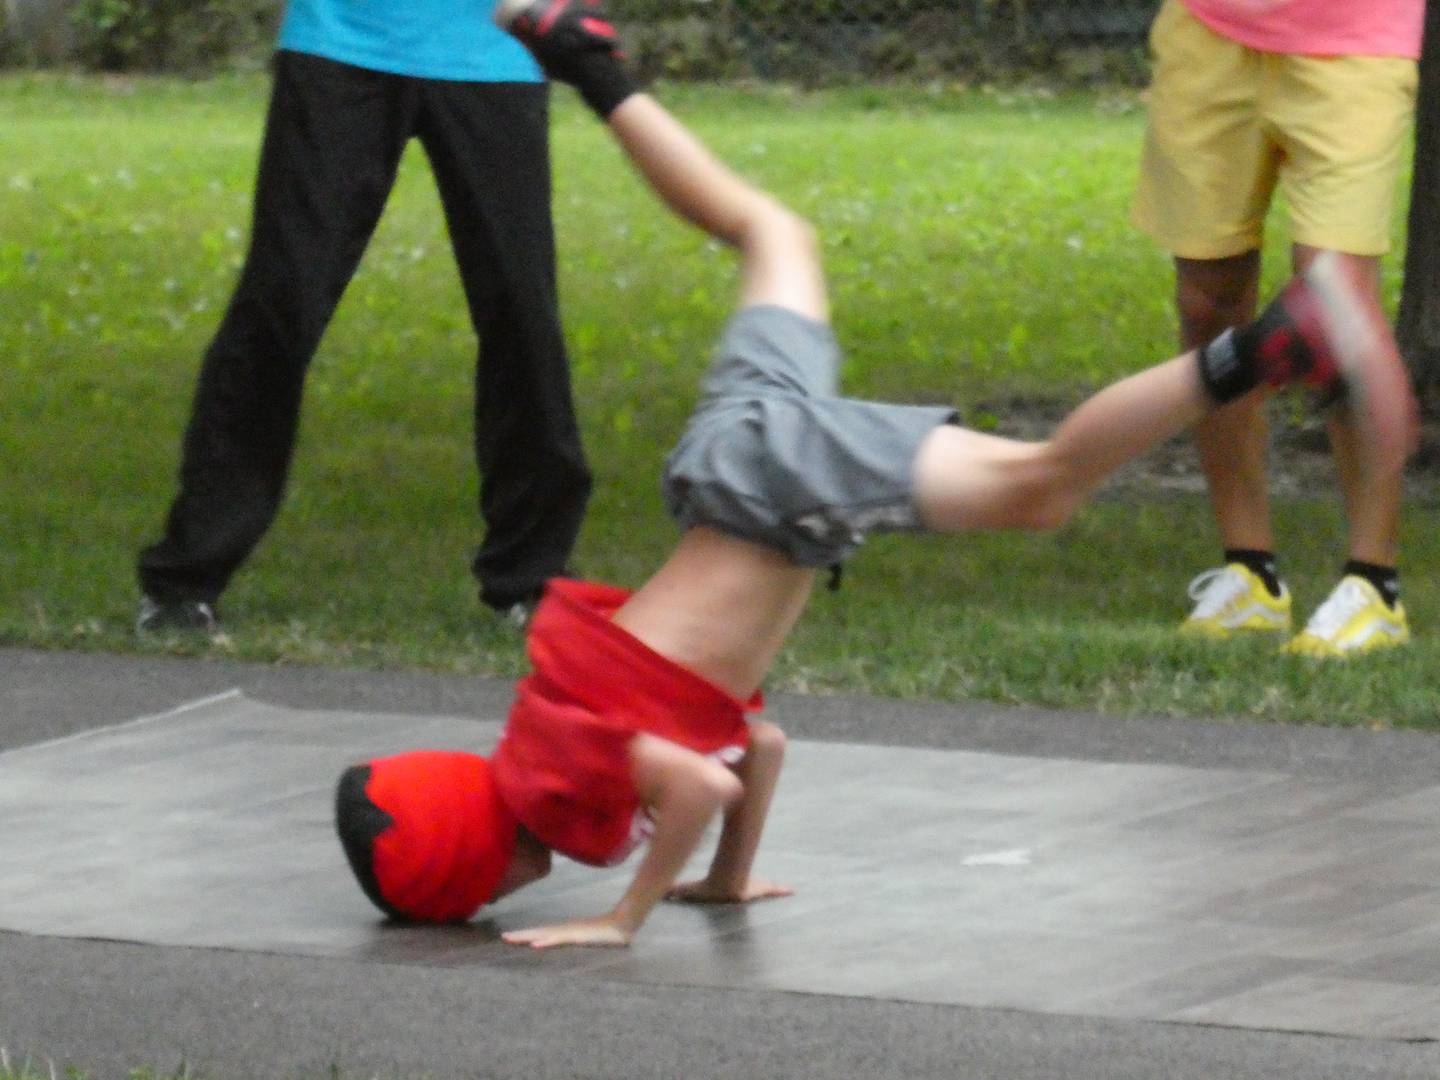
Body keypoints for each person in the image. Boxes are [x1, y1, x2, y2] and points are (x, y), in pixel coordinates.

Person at [334, 1, 1417, 950]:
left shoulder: (557, 790)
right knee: (772, 234)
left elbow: (702, 779)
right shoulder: (543, 742)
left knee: (1040, 485)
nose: (502, 903)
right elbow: (750, 743)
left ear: (477, 869)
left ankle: (1265, 348)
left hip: (775, 487)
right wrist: (720, 879)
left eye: (477, 901)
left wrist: (618, 920)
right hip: (738, 461)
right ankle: (592, 65)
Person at [135, 0, 592, 636]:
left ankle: (535, 580)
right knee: (280, 307)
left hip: (495, 53)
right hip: (340, 43)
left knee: (522, 313)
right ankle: (186, 580)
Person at [1132, 0, 1424, 656]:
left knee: (1335, 309)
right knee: (1206, 302)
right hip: (1207, 32)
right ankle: (1250, 575)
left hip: (1354, 41)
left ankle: (1375, 585)